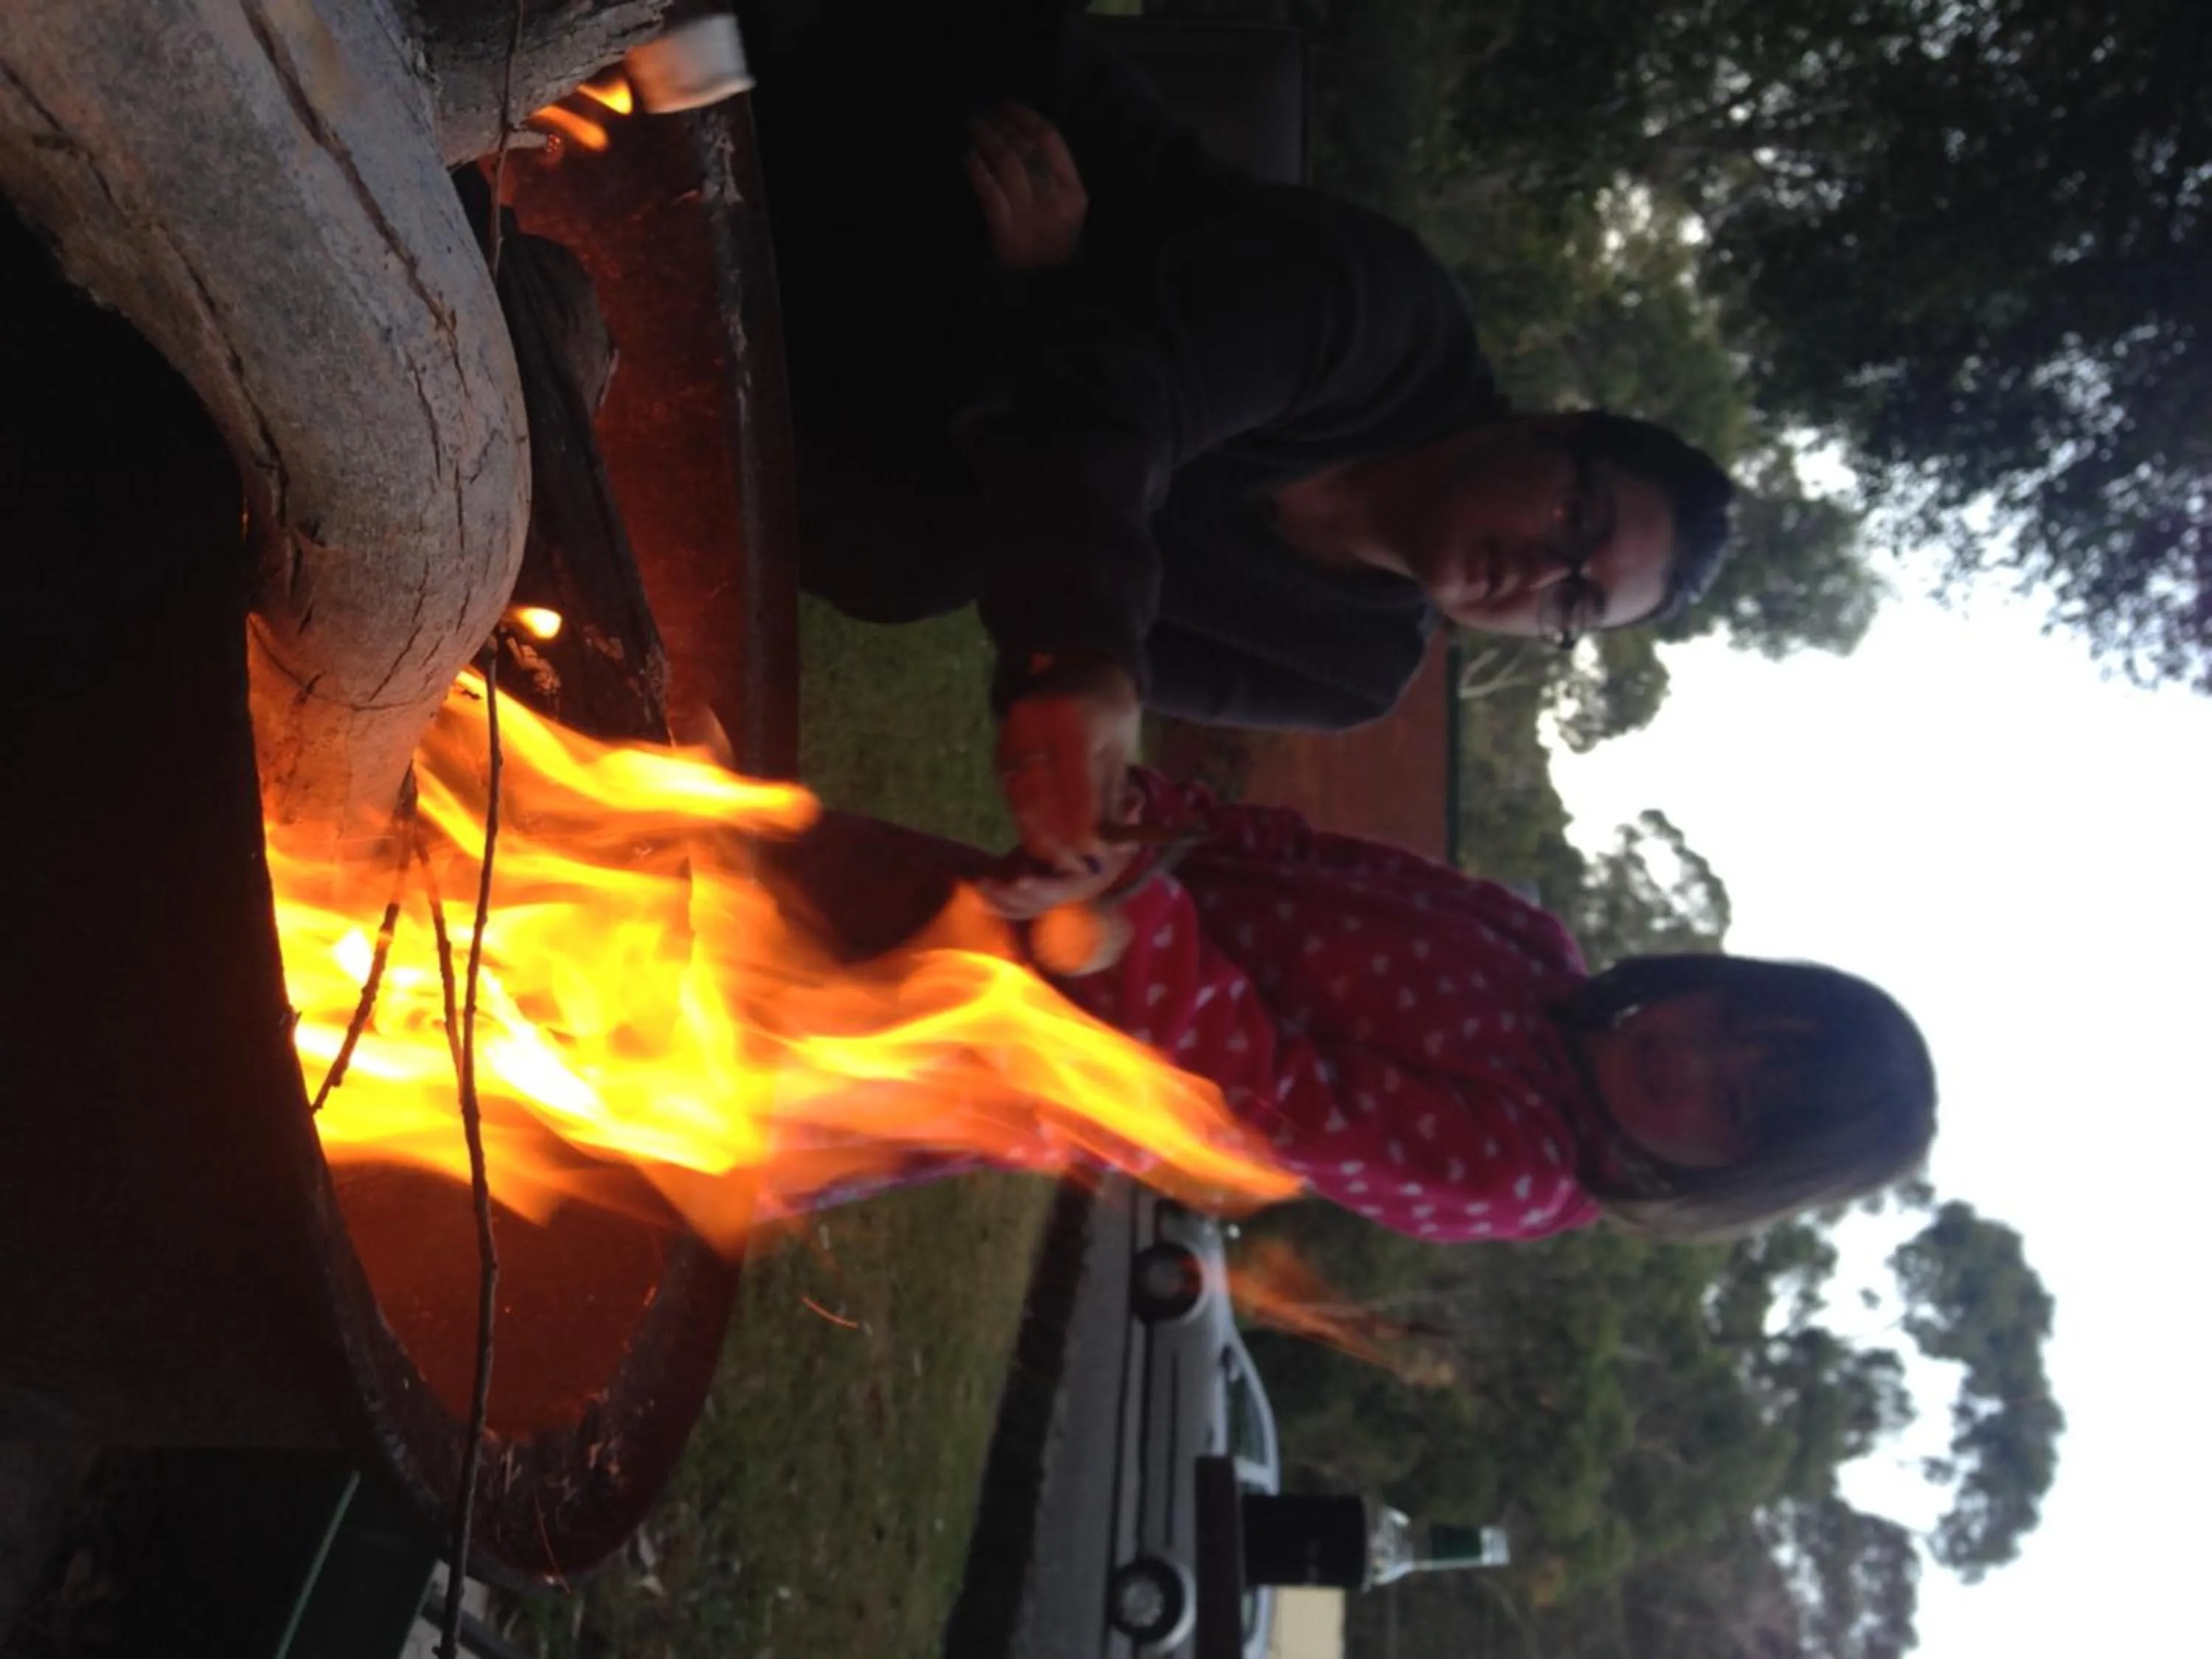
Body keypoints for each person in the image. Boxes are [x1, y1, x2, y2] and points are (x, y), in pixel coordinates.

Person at [744, 9, 1738, 871]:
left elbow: (1067, 601)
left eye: (1574, 597)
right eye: (1575, 516)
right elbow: (1120, 405)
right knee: (926, 526)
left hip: (939, 409)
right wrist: (1085, 650)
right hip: (958, 148)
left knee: (923, 543)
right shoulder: (1385, 320)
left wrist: (1083, 820)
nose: (1538, 568)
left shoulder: (1348, 668)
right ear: (1553, 428)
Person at [781, 772, 1935, 1242]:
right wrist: (1159, 810)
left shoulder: (1520, 1166)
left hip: (1024, 1057)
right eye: (1728, 1021)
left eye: (1731, 1105)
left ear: (1720, 1174)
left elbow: (1267, 1096)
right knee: (737, 873)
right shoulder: (1534, 945)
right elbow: (1309, 854)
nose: (1690, 1057)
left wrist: (1133, 911)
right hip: (1053, 909)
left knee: (729, 1076)